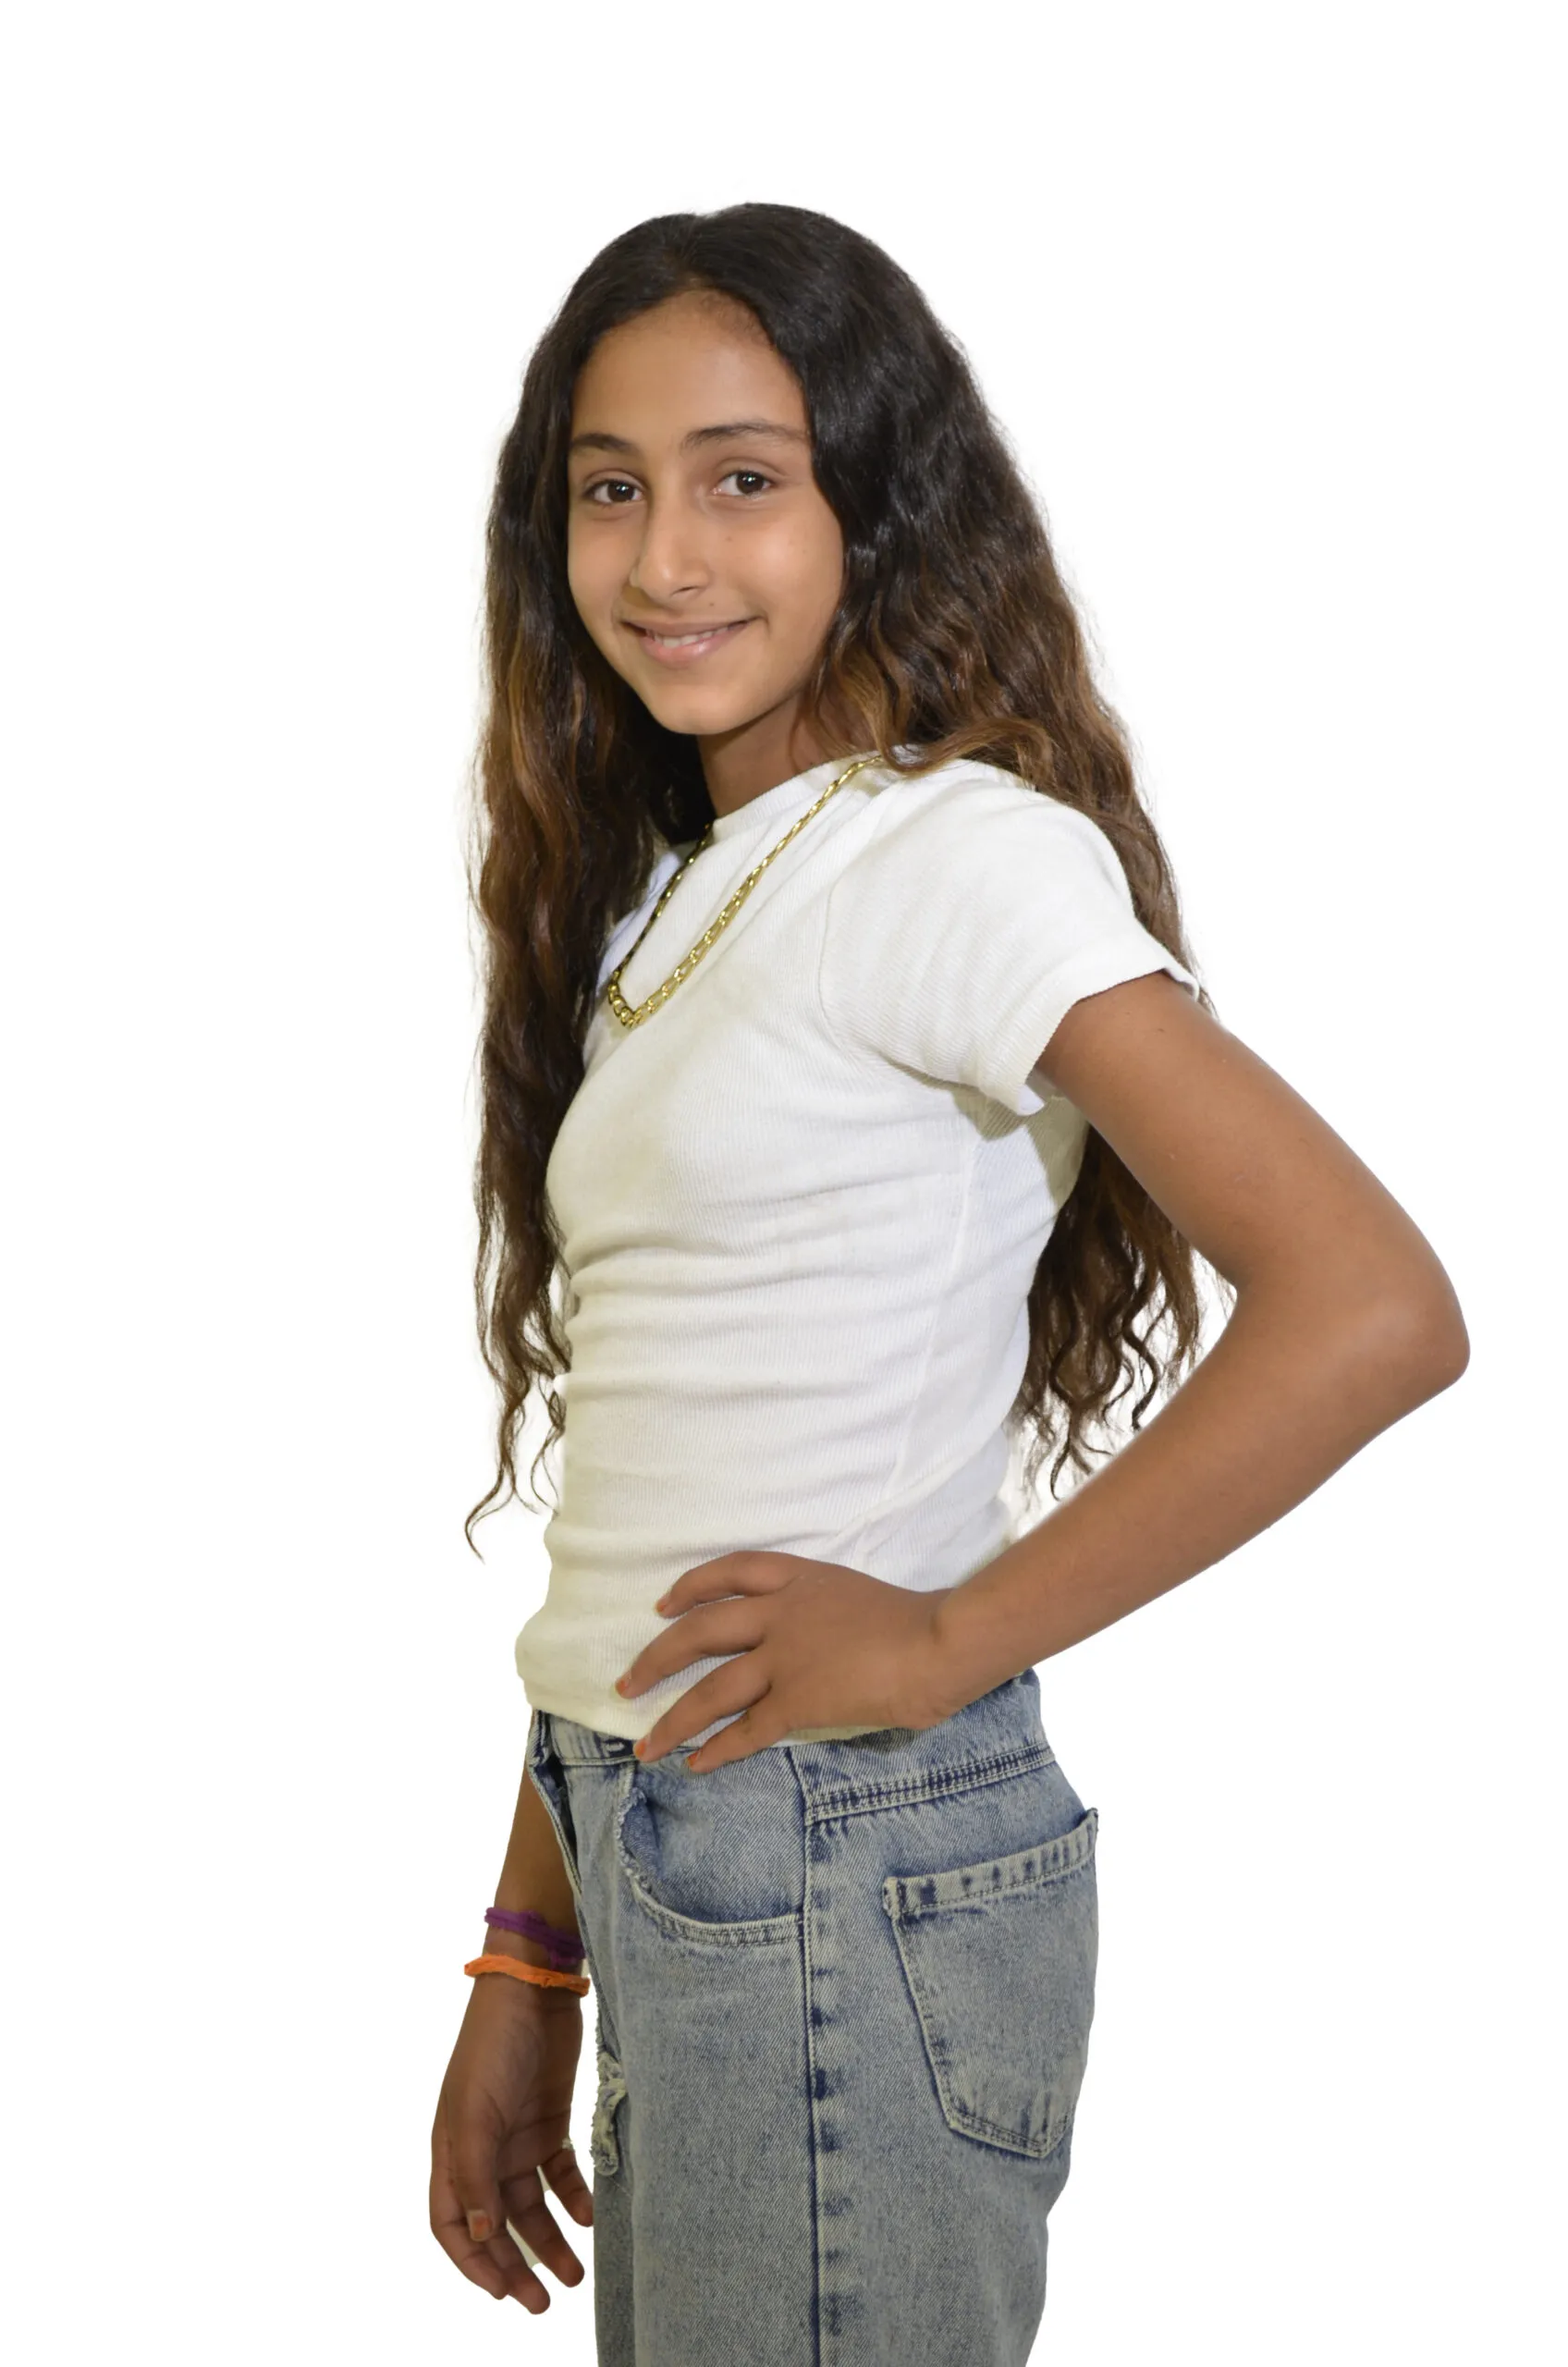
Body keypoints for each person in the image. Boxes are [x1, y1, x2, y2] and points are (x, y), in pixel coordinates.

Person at [428, 203, 1468, 2365]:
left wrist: (936, 1635)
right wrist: (533, 1943)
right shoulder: (680, 898)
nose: (663, 556)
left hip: (828, 1846)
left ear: (876, 503)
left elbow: (1370, 1300)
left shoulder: (952, 856)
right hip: (679, 1843)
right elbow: (655, 1491)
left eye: (742, 476)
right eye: (608, 487)